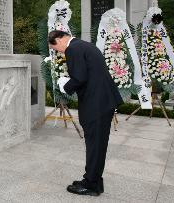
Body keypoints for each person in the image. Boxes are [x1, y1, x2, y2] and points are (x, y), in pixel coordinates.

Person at [48, 30, 123, 196]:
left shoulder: (72, 49)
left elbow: (79, 78)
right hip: (103, 102)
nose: (57, 51)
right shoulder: (85, 45)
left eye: (55, 48)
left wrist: (64, 85)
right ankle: (94, 180)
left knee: (95, 145)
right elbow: (88, 74)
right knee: (98, 144)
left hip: (96, 104)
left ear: (59, 39)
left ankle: (91, 185)